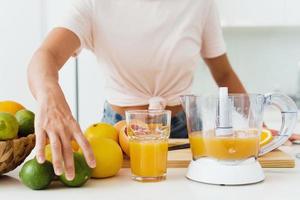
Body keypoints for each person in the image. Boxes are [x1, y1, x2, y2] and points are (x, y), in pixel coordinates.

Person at [27, 0, 299, 181]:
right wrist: (49, 96)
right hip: (116, 133)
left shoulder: (199, 4)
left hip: (182, 133)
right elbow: (46, 55)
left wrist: (259, 129)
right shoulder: (93, 3)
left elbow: (224, 74)